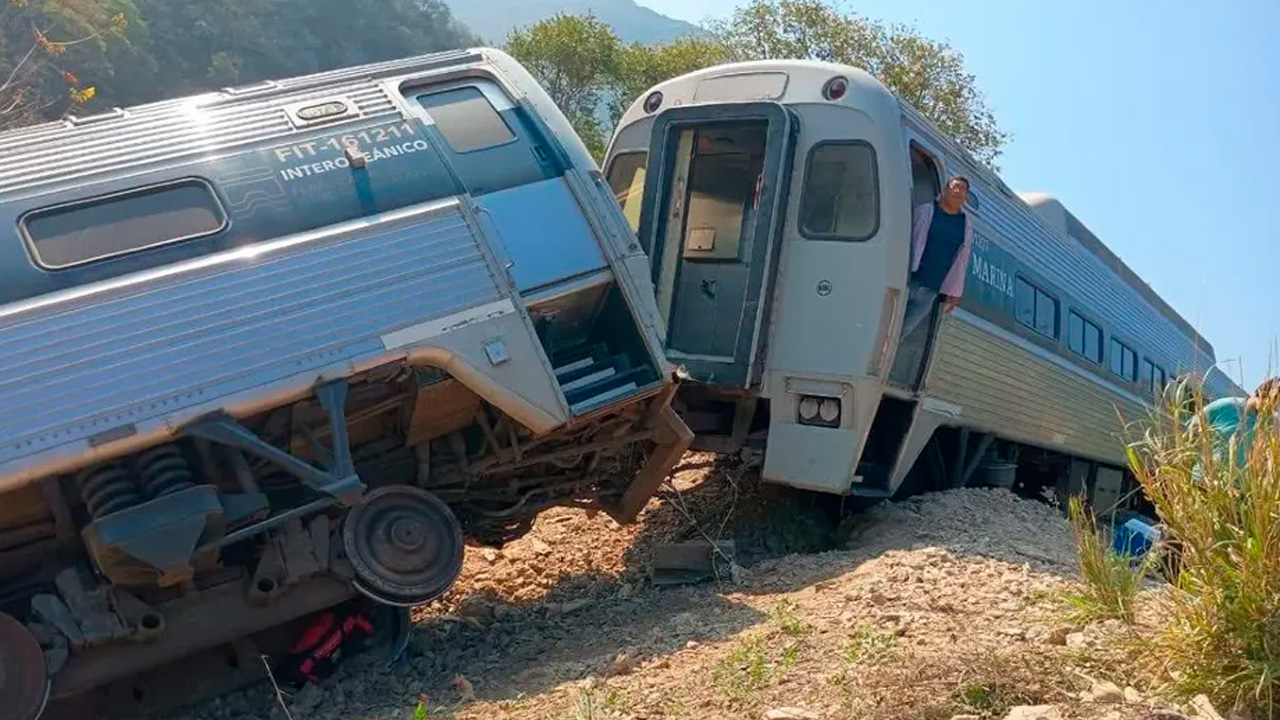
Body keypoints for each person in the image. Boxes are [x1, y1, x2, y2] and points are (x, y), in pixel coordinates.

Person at [899, 175, 975, 343]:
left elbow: (961, 260)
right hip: (907, 279)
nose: (957, 191)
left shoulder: (965, 226)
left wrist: (954, 292)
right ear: (945, 190)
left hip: (931, 290)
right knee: (887, 324)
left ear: (966, 197)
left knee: (901, 333)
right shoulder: (925, 211)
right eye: (954, 187)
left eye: (962, 189)